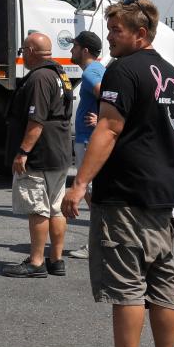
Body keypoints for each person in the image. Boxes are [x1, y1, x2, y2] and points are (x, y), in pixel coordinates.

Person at [63, 0, 174, 347]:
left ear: (141, 34)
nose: (110, 37)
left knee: (129, 284)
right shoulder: (172, 74)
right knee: (162, 280)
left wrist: (80, 183)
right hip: (163, 191)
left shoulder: (122, 71)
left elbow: (109, 130)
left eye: (117, 30)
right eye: (110, 29)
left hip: (127, 193)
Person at [3, 32, 73, 278]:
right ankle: (56, 259)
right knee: (56, 208)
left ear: (31, 51)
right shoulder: (59, 74)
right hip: (60, 151)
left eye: (23, 51)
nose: (23, 56)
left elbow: (36, 119)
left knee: (38, 208)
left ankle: (35, 261)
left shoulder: (40, 78)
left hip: (40, 153)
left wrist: (22, 152)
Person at [67, 31, 106, 260]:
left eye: (74, 47)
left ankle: (98, 242)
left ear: (85, 50)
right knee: (93, 191)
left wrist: (100, 118)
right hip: (88, 138)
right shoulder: (97, 69)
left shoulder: (92, 73)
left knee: (90, 191)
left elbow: (110, 96)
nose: (71, 51)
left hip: (88, 140)